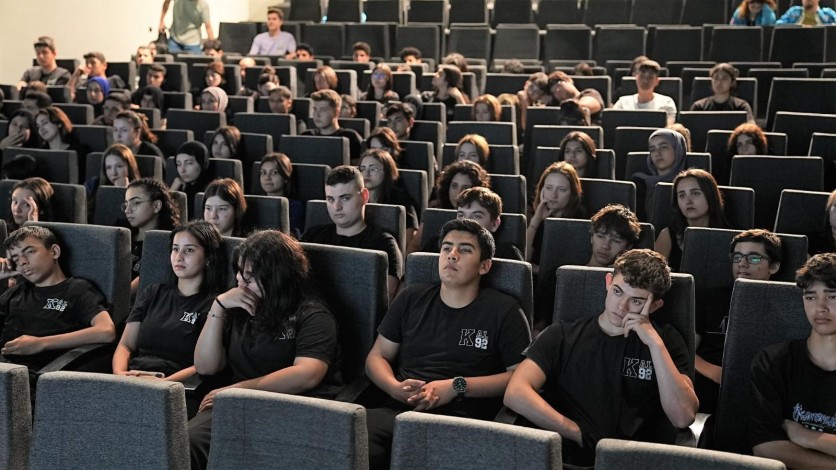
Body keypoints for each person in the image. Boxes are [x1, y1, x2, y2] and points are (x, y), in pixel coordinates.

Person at [505, 249, 698, 466]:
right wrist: (574, 431)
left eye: (636, 301)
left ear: (654, 305)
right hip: (566, 458)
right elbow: (515, 393)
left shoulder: (666, 341)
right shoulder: (563, 334)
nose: (621, 306)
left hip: (631, 461)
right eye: (617, 291)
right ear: (608, 282)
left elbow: (683, 416)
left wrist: (654, 344)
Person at [365, 218, 531, 469]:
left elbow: (519, 377)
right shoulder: (412, 297)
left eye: (465, 249)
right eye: (446, 248)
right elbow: (377, 356)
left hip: (463, 420)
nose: (452, 255)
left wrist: (457, 386)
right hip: (401, 410)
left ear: (484, 266)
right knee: (346, 443)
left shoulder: (504, 310)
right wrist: (393, 387)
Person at [188, 230, 342, 469]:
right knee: (184, 443)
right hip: (236, 405)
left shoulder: (312, 314)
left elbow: (307, 374)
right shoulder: (238, 305)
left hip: (291, 408)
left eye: (249, 277)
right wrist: (218, 306)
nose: (240, 281)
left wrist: (237, 390)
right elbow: (206, 366)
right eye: (239, 272)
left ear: (276, 276)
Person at [749, 252, 836, 468]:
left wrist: (809, 437)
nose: (820, 307)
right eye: (811, 297)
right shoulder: (773, 361)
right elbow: (765, 447)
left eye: (832, 296)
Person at [112, 220, 227, 381]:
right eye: (175, 249)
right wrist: (119, 374)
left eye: (189, 250)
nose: (179, 257)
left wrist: (166, 383)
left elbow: (203, 364)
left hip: (178, 385)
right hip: (133, 378)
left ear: (208, 258)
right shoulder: (152, 293)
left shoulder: (216, 305)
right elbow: (126, 345)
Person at [0, 226, 117, 382]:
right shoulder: (17, 292)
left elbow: (106, 331)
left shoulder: (78, 290)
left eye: (29, 252)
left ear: (54, 251)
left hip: (31, 377)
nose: (22, 262)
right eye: (15, 258)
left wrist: (41, 343)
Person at [696, 229, 781, 414]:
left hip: (762, 391)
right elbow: (685, 351)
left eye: (754, 258)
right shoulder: (708, 298)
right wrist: (717, 374)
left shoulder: (785, 306)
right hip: (709, 384)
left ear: (773, 266)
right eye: (737, 257)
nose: (742, 264)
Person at [302, 165, 404, 303]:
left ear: (364, 196)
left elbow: (384, 298)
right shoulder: (312, 236)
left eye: (345, 198)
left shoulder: (384, 243)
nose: (336, 207)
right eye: (330, 199)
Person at [406, 160, 491, 256]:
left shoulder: (483, 217)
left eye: (465, 187)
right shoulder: (435, 214)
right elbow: (414, 246)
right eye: (454, 186)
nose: (458, 192)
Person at [420, 186, 524, 261]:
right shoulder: (435, 246)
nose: (466, 221)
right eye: (461, 215)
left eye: (476, 216)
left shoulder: (507, 255)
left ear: (494, 224)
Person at [655, 169, 730, 271]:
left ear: (710, 196)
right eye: (682, 195)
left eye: (695, 194)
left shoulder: (732, 236)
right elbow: (652, 278)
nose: (688, 201)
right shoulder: (667, 235)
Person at [122, 178, 181, 295]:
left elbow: (148, 277)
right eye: (126, 204)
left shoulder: (169, 242)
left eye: (136, 203)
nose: (128, 210)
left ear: (156, 206)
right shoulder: (123, 235)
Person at [526, 162, 586, 273]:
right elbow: (524, 258)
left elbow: (572, 270)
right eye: (549, 188)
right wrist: (536, 220)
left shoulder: (581, 220)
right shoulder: (537, 213)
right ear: (542, 189)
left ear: (572, 193)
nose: (553, 195)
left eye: (561, 190)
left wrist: (540, 270)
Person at [358, 149, 420, 236]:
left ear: (387, 171)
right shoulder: (356, 198)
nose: (366, 174)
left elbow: (409, 239)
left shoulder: (401, 201)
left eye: (373, 169)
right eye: (362, 169)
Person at [632, 128, 688, 221]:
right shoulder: (639, 183)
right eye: (652, 149)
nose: (657, 153)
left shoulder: (689, 184)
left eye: (663, 147)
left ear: (677, 149)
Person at [302, 90, 364, 164]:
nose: (317, 115)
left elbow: (357, 169)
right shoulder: (306, 136)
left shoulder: (351, 137)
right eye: (315, 109)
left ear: (336, 112)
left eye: (323, 110)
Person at [85, 143, 142, 221]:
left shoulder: (141, 190)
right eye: (108, 167)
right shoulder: (93, 184)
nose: (113, 173)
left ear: (129, 167)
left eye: (119, 166)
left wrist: (121, 191)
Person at [613, 59, 677, 125]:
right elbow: (613, 122)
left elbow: (668, 128)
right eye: (642, 76)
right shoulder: (623, 102)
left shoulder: (666, 103)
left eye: (650, 77)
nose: (645, 80)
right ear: (636, 78)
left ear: (657, 81)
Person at [259, 152, 304, 238]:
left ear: (286, 178)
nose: (267, 177)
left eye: (274, 172)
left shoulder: (295, 206)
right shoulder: (254, 203)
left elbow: (292, 237)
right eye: (263, 173)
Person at [171, 141, 212, 219]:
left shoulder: (210, 191)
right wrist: (172, 191)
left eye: (189, 163)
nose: (182, 170)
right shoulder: (180, 186)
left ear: (202, 163)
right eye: (179, 164)